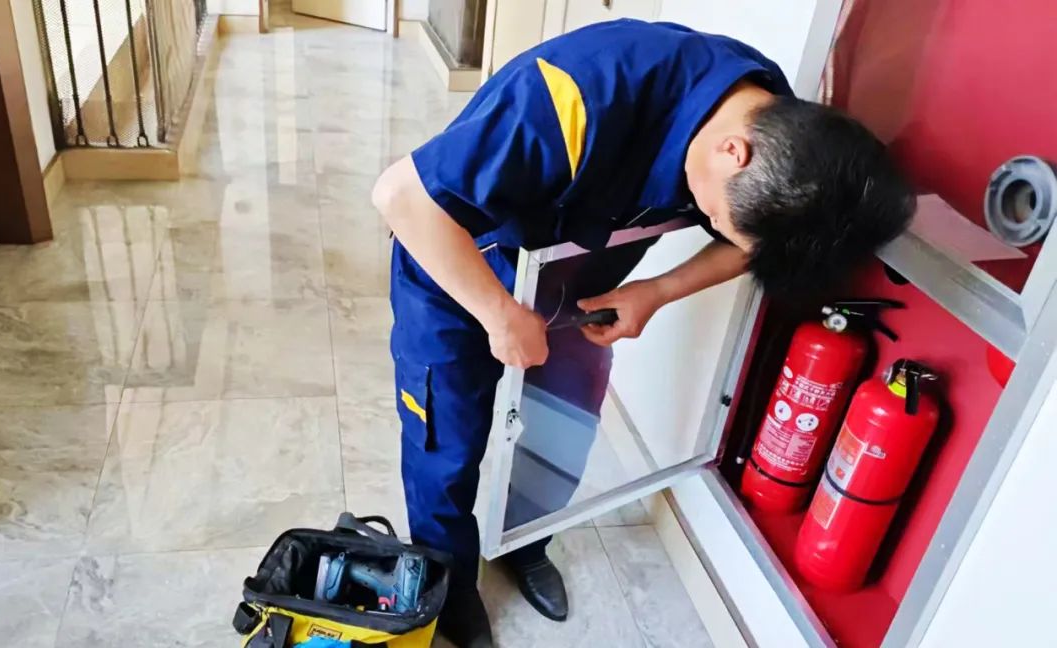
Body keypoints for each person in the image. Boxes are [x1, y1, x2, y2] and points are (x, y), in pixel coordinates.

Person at [372, 19, 913, 648]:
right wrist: (499, 314)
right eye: (715, 217)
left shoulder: (775, 123)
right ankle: (449, 579)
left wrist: (656, 291)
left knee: (563, 425)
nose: (714, 226)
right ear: (733, 152)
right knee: (446, 437)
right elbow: (402, 196)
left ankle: (525, 540)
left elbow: (752, 244)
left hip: (577, 285)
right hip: (460, 267)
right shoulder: (572, 97)